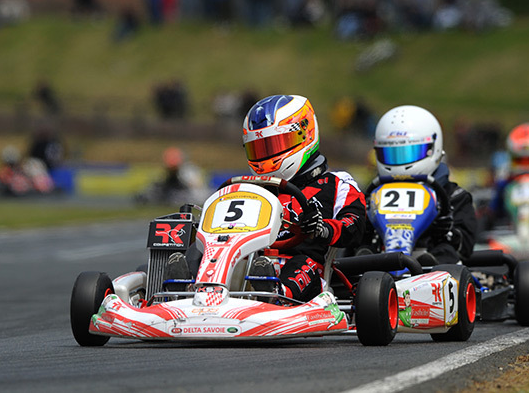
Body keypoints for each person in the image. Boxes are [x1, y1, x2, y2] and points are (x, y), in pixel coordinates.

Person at [167, 95, 367, 302]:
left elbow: (355, 223)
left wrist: (322, 229)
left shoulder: (336, 183)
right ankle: (185, 288)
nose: (266, 156)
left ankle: (276, 293)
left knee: (301, 264)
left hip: (302, 266)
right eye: (260, 149)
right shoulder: (247, 189)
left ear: (304, 135)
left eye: (275, 145)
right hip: (245, 259)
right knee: (199, 248)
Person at [367, 105, 477, 264]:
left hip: (433, 269)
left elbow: (466, 247)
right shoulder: (371, 195)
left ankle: (430, 265)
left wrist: (447, 231)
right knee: (361, 250)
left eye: (410, 153)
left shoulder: (453, 196)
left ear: (433, 149)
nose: (400, 163)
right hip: (377, 268)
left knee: (445, 253)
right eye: (392, 155)